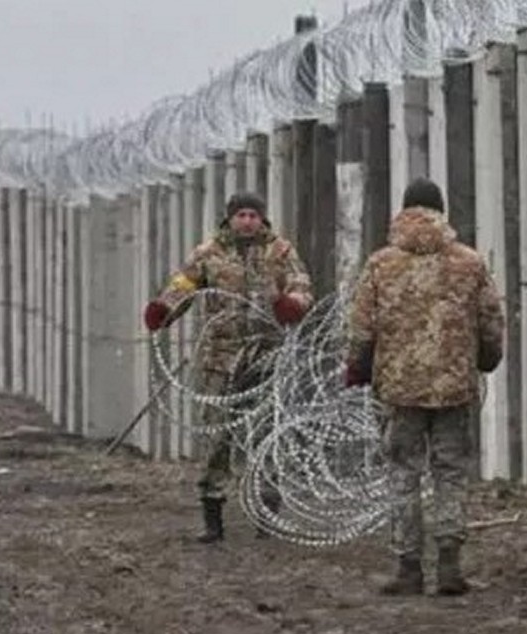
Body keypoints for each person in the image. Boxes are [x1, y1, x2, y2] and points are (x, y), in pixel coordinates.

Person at [345, 178, 504, 595]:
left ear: (404, 211)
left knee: (403, 473)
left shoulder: (381, 263)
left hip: (399, 389)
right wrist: (485, 360)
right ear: (440, 211)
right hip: (453, 386)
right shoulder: (469, 262)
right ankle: (450, 565)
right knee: (450, 472)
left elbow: (362, 328)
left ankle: (408, 568)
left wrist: (358, 368)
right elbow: (490, 320)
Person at [143, 192, 313, 543]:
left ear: (262, 218)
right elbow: (184, 286)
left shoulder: (280, 252)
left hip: (266, 357)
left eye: (253, 215)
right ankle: (213, 514)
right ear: (230, 219)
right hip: (220, 360)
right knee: (217, 436)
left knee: (267, 433)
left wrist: (292, 305)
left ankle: (267, 512)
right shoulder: (209, 254)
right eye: (241, 215)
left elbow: (301, 285)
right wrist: (164, 310)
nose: (248, 221)